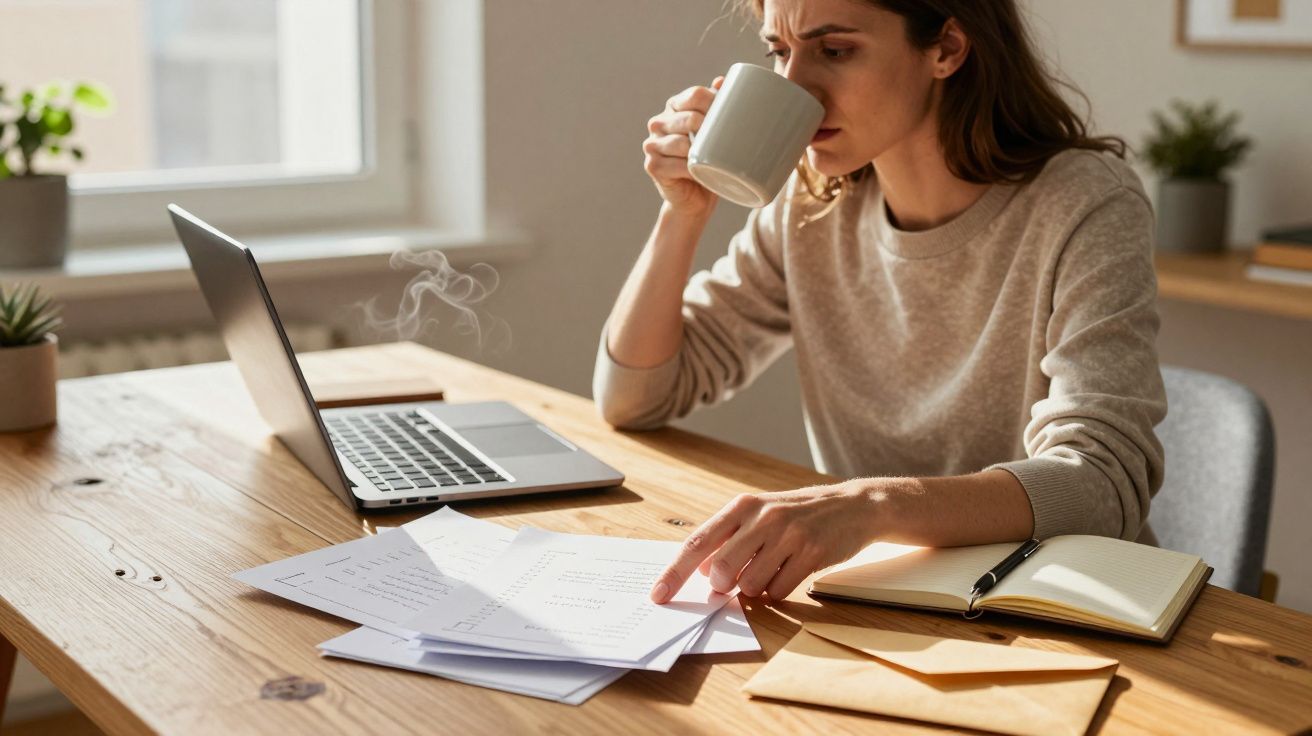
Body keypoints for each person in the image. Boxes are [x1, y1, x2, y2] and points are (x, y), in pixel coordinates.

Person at [594, 0, 1166, 605]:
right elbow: (634, 399)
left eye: (835, 51)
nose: (797, 88)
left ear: (946, 48)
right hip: (887, 596)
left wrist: (868, 506)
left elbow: (1102, 481)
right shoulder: (810, 205)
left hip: (1060, 604)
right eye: (779, 52)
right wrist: (682, 212)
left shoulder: (1085, 204)